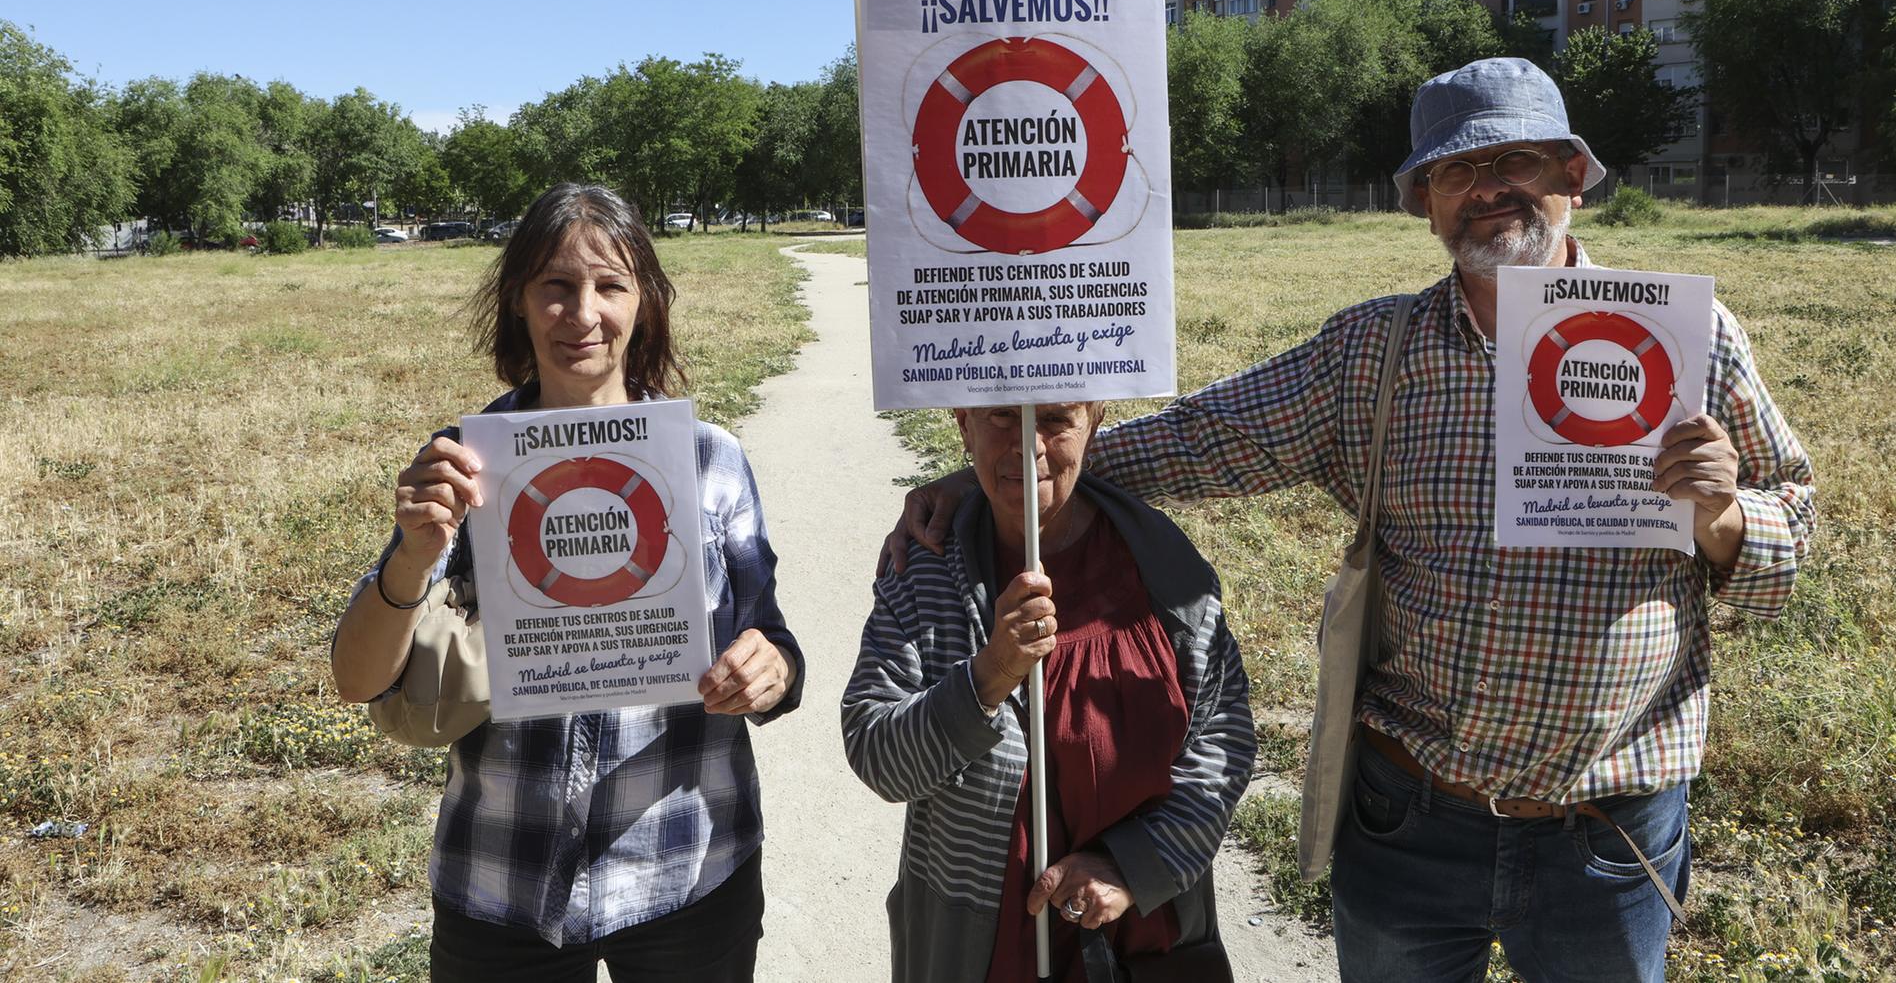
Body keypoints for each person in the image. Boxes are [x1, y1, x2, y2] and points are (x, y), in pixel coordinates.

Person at [890, 58, 1816, 983]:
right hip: (1409, 821)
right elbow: (1203, 439)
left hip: (1607, 833)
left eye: (1516, 163)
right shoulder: (1374, 353)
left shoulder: (1685, 339)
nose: (1488, 190)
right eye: (1456, 171)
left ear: (1573, 176)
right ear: (1424, 202)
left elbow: (1795, 531)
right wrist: (1002, 476)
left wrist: (1723, 514)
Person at [332, 182, 802, 982]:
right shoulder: (465, 463)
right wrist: (413, 553)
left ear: (644, 304)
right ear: (519, 300)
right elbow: (357, 679)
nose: (582, 313)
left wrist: (769, 670)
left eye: (610, 286)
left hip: (686, 870)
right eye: (556, 286)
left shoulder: (709, 460)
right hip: (504, 879)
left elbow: (777, 647)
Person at [845, 401, 1255, 982]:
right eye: (1001, 417)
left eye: (1056, 418)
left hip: (1147, 945)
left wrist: (1135, 867)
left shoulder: (1162, 567)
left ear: (1096, 418)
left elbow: (1223, 739)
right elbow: (876, 754)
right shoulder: (925, 570)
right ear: (963, 423)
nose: (1029, 444)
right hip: (979, 956)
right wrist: (989, 674)